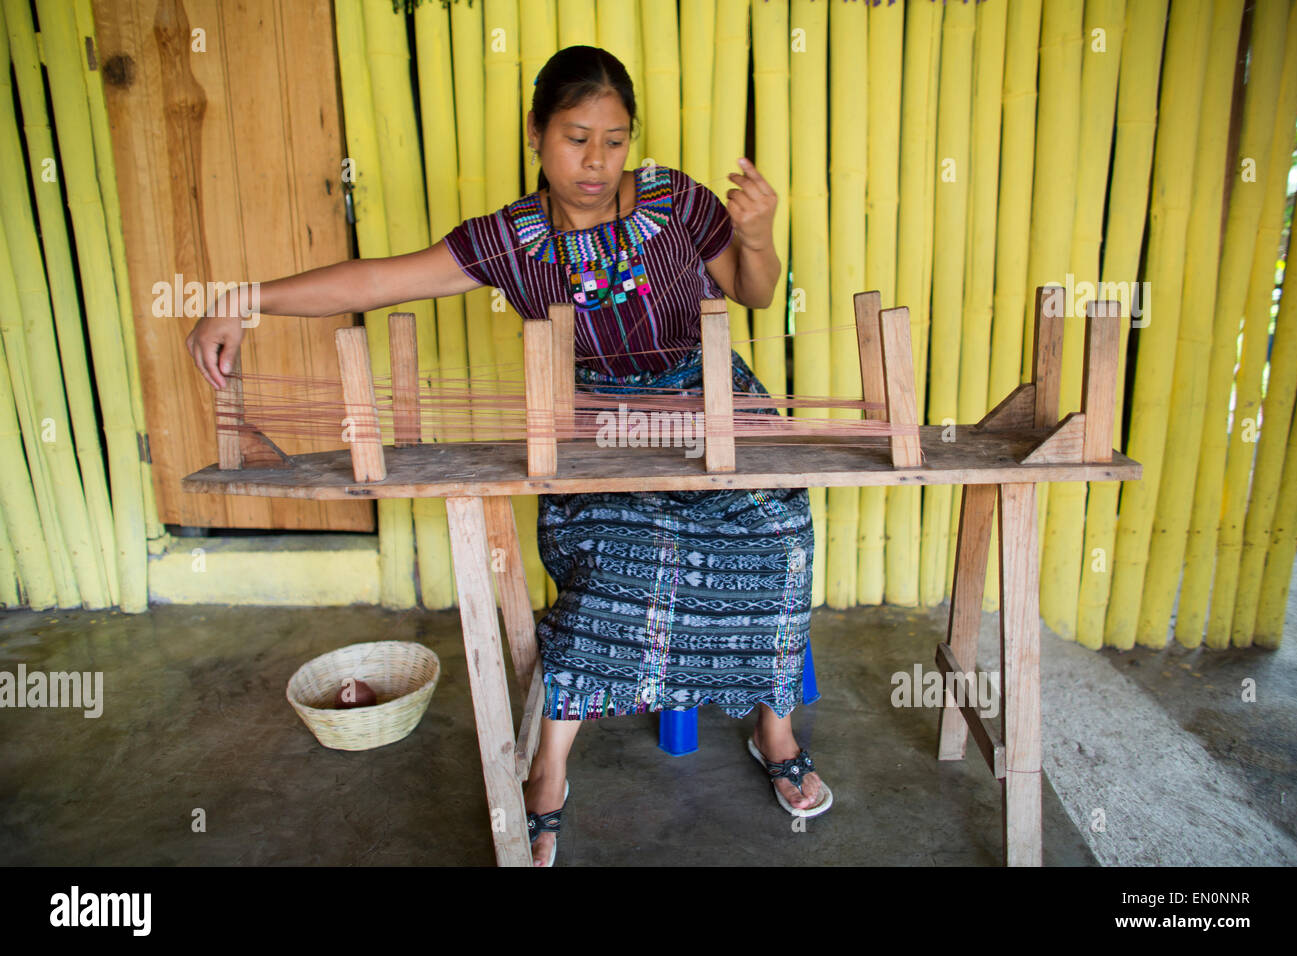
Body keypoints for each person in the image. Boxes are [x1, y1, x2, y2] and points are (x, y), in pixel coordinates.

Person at [187, 45, 830, 868]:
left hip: (716, 406)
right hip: (595, 426)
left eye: (614, 138)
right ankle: (549, 770)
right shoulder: (514, 241)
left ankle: (772, 730)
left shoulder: (676, 202)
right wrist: (246, 299)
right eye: (575, 138)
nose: (596, 162)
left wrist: (759, 235)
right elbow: (377, 281)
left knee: (777, 535)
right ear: (536, 136)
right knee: (622, 558)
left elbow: (754, 291)